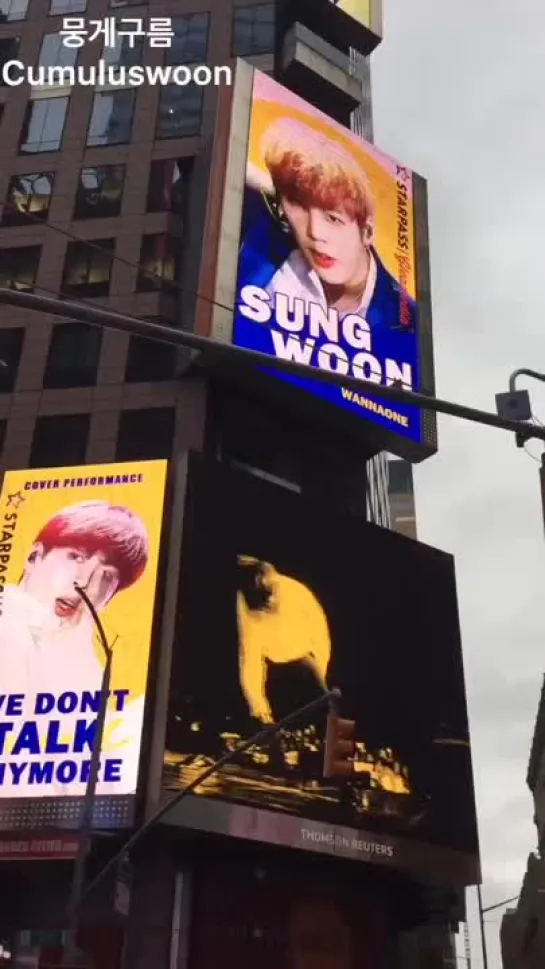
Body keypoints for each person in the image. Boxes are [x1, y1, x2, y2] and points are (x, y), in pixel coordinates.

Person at [0, 500, 149, 799]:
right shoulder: (9, 631)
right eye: (76, 557)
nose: (86, 582)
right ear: (34, 557)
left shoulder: (87, 664)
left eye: (108, 575)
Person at [237, 118, 417, 358]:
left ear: (367, 232)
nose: (314, 233)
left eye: (333, 218)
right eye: (300, 206)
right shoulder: (259, 234)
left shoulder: (405, 320)